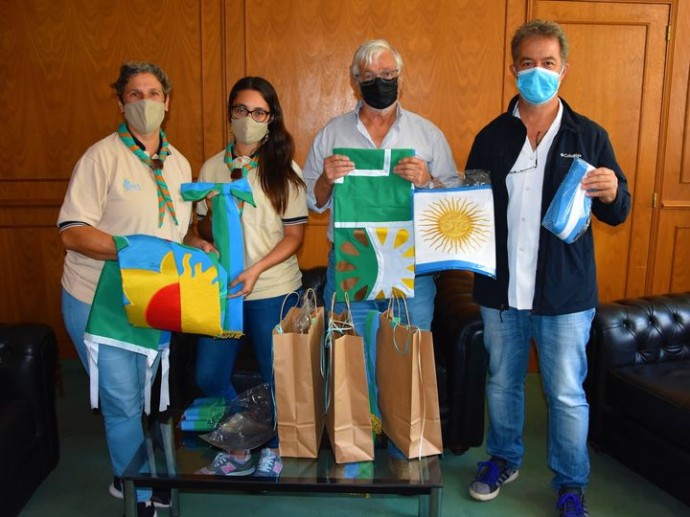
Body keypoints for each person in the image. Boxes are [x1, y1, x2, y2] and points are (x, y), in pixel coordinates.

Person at [464, 20, 631, 516]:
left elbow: (617, 211)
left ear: (564, 69)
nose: (538, 71)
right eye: (528, 62)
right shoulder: (492, 136)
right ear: (513, 68)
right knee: (502, 381)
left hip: (563, 295)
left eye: (548, 62)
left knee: (564, 394)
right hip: (501, 290)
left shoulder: (590, 135)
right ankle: (503, 457)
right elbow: (469, 204)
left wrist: (613, 191)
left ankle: (571, 484)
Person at [58, 62, 203, 516]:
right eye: (135, 95)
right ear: (121, 104)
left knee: (146, 398)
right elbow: (71, 231)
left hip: (154, 300)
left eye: (154, 93)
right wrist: (132, 249)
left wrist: (203, 249)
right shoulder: (100, 157)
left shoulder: (179, 164)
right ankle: (136, 490)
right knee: (122, 400)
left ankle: (134, 470)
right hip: (98, 299)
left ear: (168, 102)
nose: (145, 102)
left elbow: (183, 232)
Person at [190, 76, 307, 478]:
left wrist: (256, 269)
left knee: (278, 377)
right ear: (230, 114)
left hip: (273, 289)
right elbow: (201, 227)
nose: (248, 119)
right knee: (208, 375)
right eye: (241, 110)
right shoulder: (210, 167)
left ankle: (273, 447)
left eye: (259, 112)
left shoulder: (284, 170)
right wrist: (201, 240)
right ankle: (240, 443)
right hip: (222, 293)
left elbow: (295, 236)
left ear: (270, 119)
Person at [303, 39, 457, 336]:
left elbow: (452, 204)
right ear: (355, 81)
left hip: (412, 268)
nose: (380, 82)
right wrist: (325, 179)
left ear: (400, 76)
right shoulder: (331, 134)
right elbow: (313, 201)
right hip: (351, 260)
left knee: (408, 363)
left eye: (387, 74)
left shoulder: (427, 134)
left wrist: (427, 181)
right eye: (370, 77)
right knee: (351, 364)